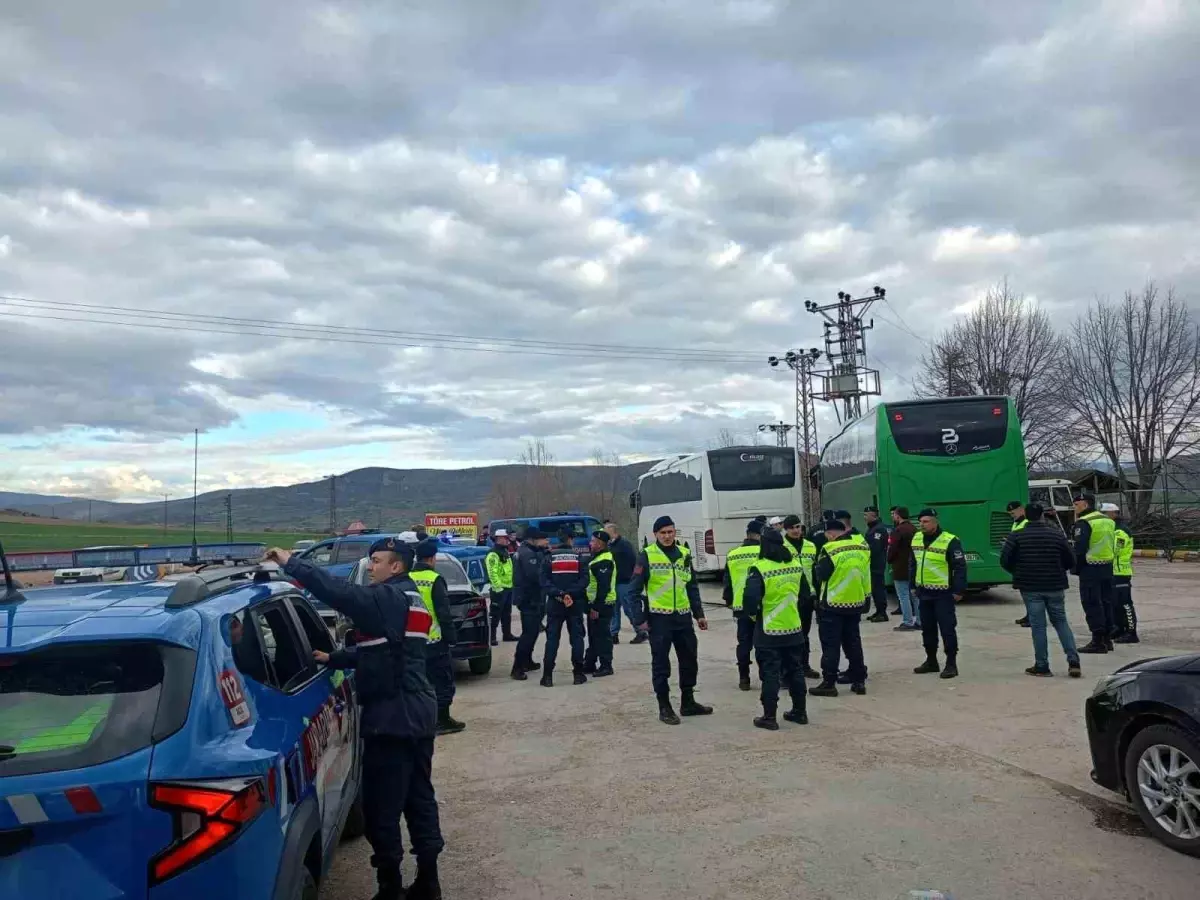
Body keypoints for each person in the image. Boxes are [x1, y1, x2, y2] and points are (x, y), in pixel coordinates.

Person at [267, 539, 443, 900]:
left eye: (376, 561)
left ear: (396, 567)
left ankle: (390, 889)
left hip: (392, 718)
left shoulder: (386, 598)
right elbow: (388, 651)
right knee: (418, 798)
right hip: (418, 712)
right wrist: (334, 658)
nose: (371, 567)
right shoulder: (410, 600)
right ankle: (429, 882)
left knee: (381, 808)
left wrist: (292, 563)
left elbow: (339, 593)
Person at [628, 515, 713, 725]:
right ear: (655, 534)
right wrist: (640, 620)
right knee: (661, 665)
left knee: (689, 661)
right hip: (659, 619)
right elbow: (633, 592)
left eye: (670, 532)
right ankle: (664, 706)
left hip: (683, 618)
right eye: (663, 533)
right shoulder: (647, 555)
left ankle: (688, 702)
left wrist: (699, 614)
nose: (667, 536)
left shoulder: (684, 554)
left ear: (675, 532)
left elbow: (691, 587)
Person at [999, 503, 1080, 677]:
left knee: (1038, 626)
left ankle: (1042, 665)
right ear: (1042, 515)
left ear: (1026, 516)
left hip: (1030, 587)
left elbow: (1004, 560)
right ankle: (1073, 660)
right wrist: (1058, 570)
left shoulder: (1017, 536)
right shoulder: (1057, 535)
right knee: (1061, 621)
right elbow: (1071, 560)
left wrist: (1018, 572)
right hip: (1055, 585)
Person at [742, 528, 809, 729]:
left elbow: (750, 601)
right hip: (793, 628)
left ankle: (769, 717)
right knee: (795, 671)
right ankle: (800, 712)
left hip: (769, 630)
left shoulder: (759, 568)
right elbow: (805, 594)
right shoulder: (795, 565)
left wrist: (755, 616)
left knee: (770, 674)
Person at [809, 519, 870, 697]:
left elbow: (821, 575)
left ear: (832, 534)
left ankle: (829, 682)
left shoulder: (830, 550)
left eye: (827, 536)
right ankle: (859, 681)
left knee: (831, 645)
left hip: (833, 604)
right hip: (856, 602)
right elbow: (866, 576)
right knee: (853, 642)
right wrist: (867, 598)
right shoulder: (862, 547)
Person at [411, 539, 464, 736]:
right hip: (434, 642)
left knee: (418, 683)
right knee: (443, 683)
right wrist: (451, 638)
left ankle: (421, 721)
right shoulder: (434, 579)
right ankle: (442, 720)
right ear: (432, 558)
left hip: (412, 642)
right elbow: (443, 612)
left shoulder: (406, 578)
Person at [911, 508, 967, 679]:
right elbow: (913, 563)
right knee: (927, 630)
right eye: (920, 521)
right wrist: (912, 585)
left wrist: (958, 590)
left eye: (926, 521)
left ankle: (951, 663)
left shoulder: (949, 540)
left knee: (947, 629)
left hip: (943, 593)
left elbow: (960, 567)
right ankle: (931, 660)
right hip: (924, 592)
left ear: (935, 522)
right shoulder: (917, 538)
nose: (922, 524)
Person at [539, 528, 590, 686]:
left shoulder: (549, 558)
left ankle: (547, 677)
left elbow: (544, 581)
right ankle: (578, 674)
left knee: (552, 639)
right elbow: (584, 580)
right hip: (574, 603)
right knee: (577, 638)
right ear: (571, 539)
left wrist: (560, 594)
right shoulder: (579, 558)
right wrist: (570, 594)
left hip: (555, 603)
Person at [722, 519, 766, 691]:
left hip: (740, 606)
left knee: (744, 642)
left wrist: (729, 601)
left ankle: (744, 678)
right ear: (760, 535)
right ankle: (765, 677)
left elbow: (727, 580)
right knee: (763, 643)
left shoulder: (733, 554)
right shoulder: (764, 552)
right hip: (761, 605)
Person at [1071, 492, 1117, 654]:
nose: (1074, 507)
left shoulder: (1084, 522)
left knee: (1091, 603)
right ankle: (1107, 639)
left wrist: (1075, 568)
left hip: (1090, 567)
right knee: (1106, 602)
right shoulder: (1107, 520)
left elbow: (1080, 549)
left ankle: (1097, 640)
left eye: (1076, 504)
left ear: (1085, 505)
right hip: (1107, 566)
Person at [782, 514, 821, 679]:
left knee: (803, 634)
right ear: (786, 529)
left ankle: (804, 666)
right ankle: (787, 670)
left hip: (808, 597)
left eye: (798, 527)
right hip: (788, 597)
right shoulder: (781, 547)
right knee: (787, 635)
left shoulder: (811, 546)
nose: (796, 530)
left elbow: (816, 571)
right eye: (792, 528)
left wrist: (818, 595)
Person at [511, 527, 549, 680]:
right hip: (529, 599)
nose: (545, 542)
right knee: (528, 633)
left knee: (532, 632)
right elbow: (534, 575)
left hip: (531, 598)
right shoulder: (527, 554)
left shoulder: (529, 551)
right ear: (533, 539)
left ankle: (527, 661)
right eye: (542, 539)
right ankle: (517, 667)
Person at [582, 530, 617, 676]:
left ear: (600, 544)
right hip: (595, 603)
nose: (590, 544)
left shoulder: (604, 561)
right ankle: (590, 663)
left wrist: (596, 607)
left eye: (593, 541)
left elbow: (604, 586)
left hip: (603, 604)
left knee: (602, 636)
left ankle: (606, 665)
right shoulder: (597, 558)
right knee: (594, 635)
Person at [1104, 502, 1139, 643]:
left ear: (1113, 514)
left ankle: (1131, 632)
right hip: (1112, 572)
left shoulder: (1121, 532)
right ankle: (1118, 629)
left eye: (1104, 514)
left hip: (1121, 573)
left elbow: (1115, 550)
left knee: (1125, 604)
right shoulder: (1112, 529)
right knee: (1114, 604)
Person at [604, 521, 644, 645]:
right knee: (614, 610)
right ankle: (613, 634)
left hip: (625, 582)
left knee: (629, 609)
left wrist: (633, 578)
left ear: (613, 532)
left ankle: (641, 631)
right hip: (614, 582)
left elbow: (633, 560)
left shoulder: (624, 544)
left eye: (606, 532)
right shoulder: (610, 545)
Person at [888, 506, 919, 632]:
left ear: (898, 516)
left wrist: (889, 560)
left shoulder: (898, 531)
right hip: (913, 566)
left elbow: (892, 548)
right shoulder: (914, 529)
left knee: (903, 595)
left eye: (894, 514)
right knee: (915, 595)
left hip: (900, 567)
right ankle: (920, 620)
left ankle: (908, 622)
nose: (893, 517)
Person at [485, 529, 516, 646]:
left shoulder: (505, 551)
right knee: (495, 614)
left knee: (507, 614)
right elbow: (492, 572)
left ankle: (507, 634)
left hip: (508, 587)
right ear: (499, 539)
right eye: (505, 538)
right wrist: (498, 588)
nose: (507, 540)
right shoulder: (493, 554)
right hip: (499, 589)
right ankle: (492, 637)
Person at [863, 506, 890, 623]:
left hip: (876, 564)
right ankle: (878, 611)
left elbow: (875, 548)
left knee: (878, 588)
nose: (864, 517)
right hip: (872, 564)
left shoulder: (878, 529)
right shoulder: (872, 528)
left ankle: (882, 613)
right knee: (874, 589)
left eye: (866, 515)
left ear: (873, 516)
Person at [1007, 501, 1031, 628]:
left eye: (1013, 512)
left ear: (1021, 509)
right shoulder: (1017, 523)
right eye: (1010, 514)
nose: (1012, 515)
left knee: (1028, 592)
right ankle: (1029, 614)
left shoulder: (1026, 523)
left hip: (1025, 562)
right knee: (1024, 591)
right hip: (1018, 562)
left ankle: (1032, 617)